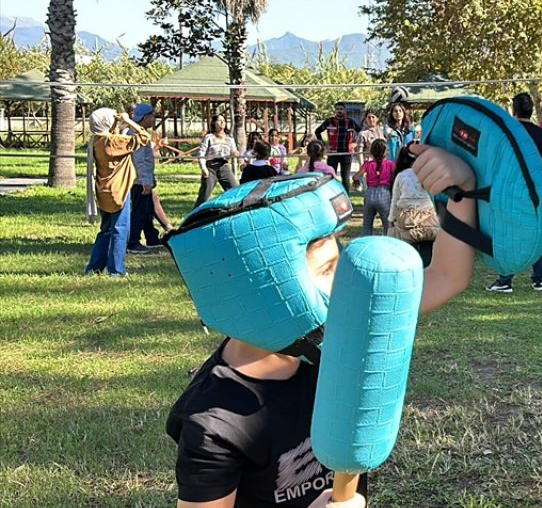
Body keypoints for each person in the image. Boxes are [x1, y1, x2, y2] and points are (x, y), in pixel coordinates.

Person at [167, 143, 484, 508]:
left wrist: (461, 189)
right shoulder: (215, 423)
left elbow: (446, 277)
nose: (345, 282)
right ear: (266, 294)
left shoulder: (346, 329)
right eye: (328, 271)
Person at [486, 92, 542, 293]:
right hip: (538, 190)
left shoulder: (508, 135)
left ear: (514, 111)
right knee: (538, 231)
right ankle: (538, 279)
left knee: (510, 234)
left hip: (512, 191)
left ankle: (505, 280)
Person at [85, 107, 151, 277]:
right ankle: (117, 270)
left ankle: (94, 268)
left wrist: (117, 123)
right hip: (119, 191)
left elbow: (114, 133)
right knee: (120, 229)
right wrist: (128, 121)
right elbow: (144, 137)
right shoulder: (115, 142)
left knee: (105, 229)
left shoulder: (96, 140)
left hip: (103, 191)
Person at [389, 146, 438, 267]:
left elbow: (395, 199)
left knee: (409, 250)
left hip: (408, 218)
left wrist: (391, 219)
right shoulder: (429, 173)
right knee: (428, 250)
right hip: (429, 217)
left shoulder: (402, 176)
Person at [126, 104, 163, 254]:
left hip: (143, 178)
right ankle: (133, 241)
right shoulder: (137, 135)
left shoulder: (140, 133)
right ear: (145, 117)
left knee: (147, 211)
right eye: (152, 116)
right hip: (139, 181)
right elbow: (139, 160)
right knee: (139, 211)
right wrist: (146, 181)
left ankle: (151, 237)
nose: (153, 119)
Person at [196, 115, 240, 208]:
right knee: (204, 195)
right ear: (214, 123)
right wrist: (203, 168)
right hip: (210, 167)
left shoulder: (230, 139)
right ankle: (194, 216)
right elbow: (201, 153)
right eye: (219, 121)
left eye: (223, 120)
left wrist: (234, 154)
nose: (222, 122)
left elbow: (231, 153)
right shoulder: (209, 137)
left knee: (235, 190)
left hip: (224, 166)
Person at [314, 103, 361, 192]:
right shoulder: (329, 121)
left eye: (341, 109)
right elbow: (317, 132)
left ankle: (346, 197)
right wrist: (323, 145)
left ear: (345, 110)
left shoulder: (350, 122)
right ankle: (331, 194)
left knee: (345, 177)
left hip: (346, 153)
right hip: (333, 153)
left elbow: (361, 132)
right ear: (335, 110)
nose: (339, 111)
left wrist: (355, 143)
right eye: (337, 109)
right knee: (331, 175)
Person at [353, 139, 395, 236]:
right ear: (386, 152)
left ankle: (365, 243)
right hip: (385, 194)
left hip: (369, 194)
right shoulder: (390, 164)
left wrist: (356, 182)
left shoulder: (367, 164)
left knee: (367, 225)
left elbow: (356, 177)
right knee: (387, 225)